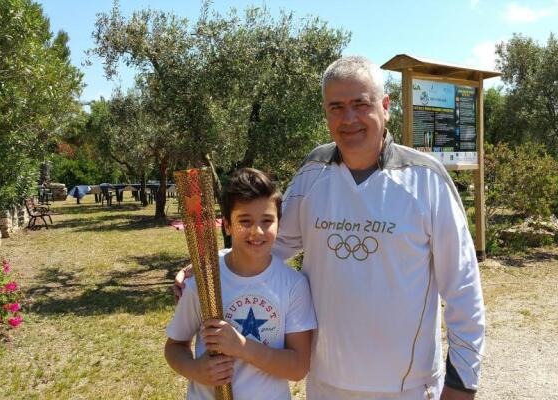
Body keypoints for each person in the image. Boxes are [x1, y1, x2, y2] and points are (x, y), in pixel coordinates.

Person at [175, 56, 485, 400]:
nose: (348, 118)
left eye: (360, 104)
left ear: (385, 106)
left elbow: (463, 289)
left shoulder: (426, 179)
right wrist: (210, 270)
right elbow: (271, 244)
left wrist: (461, 384)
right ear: (325, 114)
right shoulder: (313, 172)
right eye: (336, 107)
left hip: (406, 387)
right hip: (325, 384)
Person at [165, 168, 317, 400]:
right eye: (244, 221)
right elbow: (175, 347)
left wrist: (242, 347)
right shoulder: (204, 281)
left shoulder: (293, 285)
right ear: (226, 224)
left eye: (267, 221)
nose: (257, 231)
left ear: (279, 223)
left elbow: (298, 367)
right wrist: (197, 370)